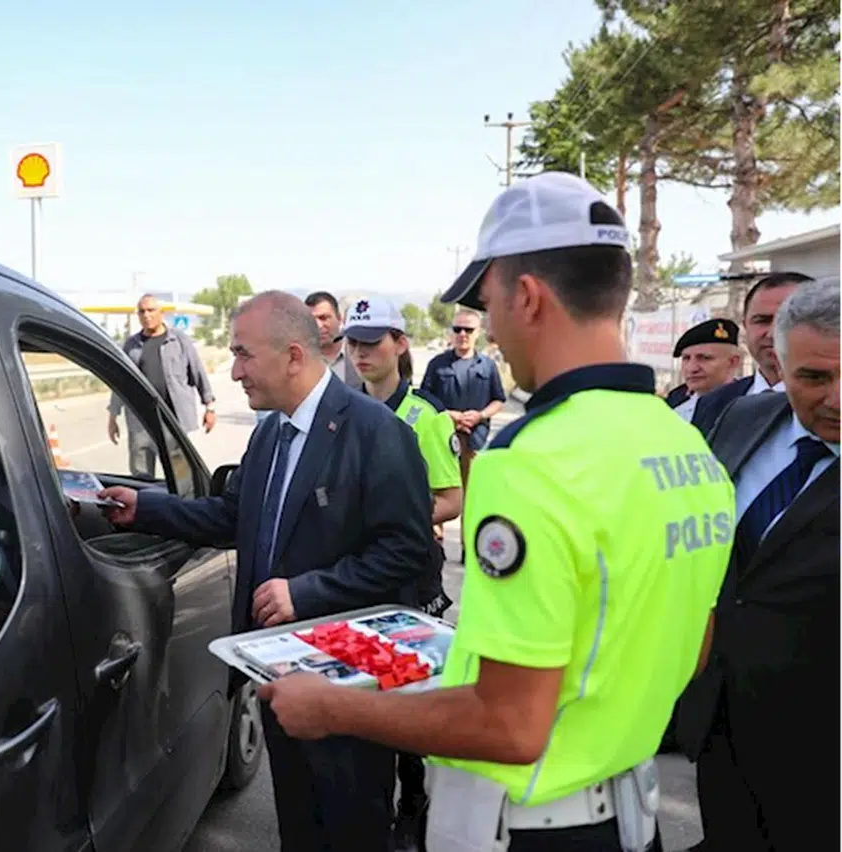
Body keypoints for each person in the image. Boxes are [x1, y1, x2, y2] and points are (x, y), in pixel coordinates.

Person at [257, 172, 732, 852]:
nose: (492, 329)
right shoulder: (683, 443)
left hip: (534, 826)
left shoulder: (531, 462)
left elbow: (509, 726)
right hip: (629, 814)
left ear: (529, 297)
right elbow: (692, 643)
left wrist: (331, 706)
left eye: (489, 303)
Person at [98, 290, 437, 852]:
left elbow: (406, 552)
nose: (233, 372)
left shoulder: (377, 433)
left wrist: (306, 592)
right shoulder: (270, 433)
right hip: (281, 681)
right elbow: (236, 516)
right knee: (300, 830)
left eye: (243, 355)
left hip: (348, 688)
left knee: (353, 832)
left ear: (295, 356)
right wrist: (148, 508)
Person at [674, 278, 840, 852]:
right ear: (780, 362)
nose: (838, 399)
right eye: (814, 378)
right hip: (720, 721)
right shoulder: (743, 419)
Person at [341, 295, 463, 851]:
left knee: (407, 694)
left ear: (401, 344)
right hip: (355, 571)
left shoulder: (425, 414)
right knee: (363, 686)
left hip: (408, 575)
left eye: (374, 341)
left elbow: (451, 497)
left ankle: (413, 807)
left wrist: (394, 519)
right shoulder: (341, 408)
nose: (362, 352)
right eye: (354, 342)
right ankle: (369, 800)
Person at [690, 271, 813, 435]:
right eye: (762, 320)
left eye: (789, 319)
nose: (772, 333)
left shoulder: (834, 405)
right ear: (745, 326)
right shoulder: (713, 404)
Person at [107, 294, 217, 477]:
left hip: (173, 421)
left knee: (180, 476)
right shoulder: (131, 345)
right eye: (142, 311)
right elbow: (121, 381)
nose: (146, 315)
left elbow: (198, 373)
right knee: (141, 475)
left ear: (161, 313)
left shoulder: (180, 341)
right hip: (141, 422)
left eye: (151, 310)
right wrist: (113, 416)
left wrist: (210, 408)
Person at [419, 308, 507, 488]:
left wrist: (480, 415)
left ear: (479, 332)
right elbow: (424, 399)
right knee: (441, 492)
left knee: (472, 492)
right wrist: (449, 415)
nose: (462, 334)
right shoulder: (437, 364)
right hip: (442, 438)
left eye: (468, 330)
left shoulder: (488, 366)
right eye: (457, 329)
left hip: (475, 440)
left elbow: (499, 400)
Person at [668, 318, 743, 423]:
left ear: (732, 362)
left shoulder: (748, 406)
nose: (692, 368)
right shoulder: (674, 404)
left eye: (704, 358)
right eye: (686, 358)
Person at [305, 290, 365, 389]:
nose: (318, 325)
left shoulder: (361, 352)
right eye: (312, 320)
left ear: (339, 318)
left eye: (323, 318)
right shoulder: (302, 360)